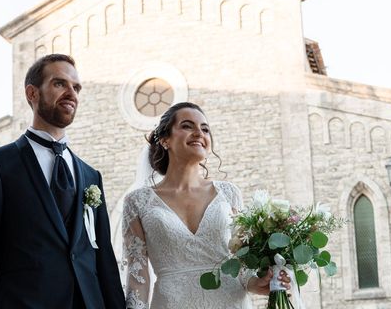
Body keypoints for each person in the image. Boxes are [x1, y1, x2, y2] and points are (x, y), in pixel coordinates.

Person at [0, 54, 125, 309]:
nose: (71, 93)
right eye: (60, 84)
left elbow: (103, 257)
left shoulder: (91, 175)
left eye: (76, 87)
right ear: (32, 93)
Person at [122, 102, 289, 309]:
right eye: (187, 126)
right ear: (165, 140)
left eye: (205, 129)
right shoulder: (137, 202)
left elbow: (240, 264)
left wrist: (259, 282)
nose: (199, 133)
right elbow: (138, 275)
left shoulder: (229, 194)